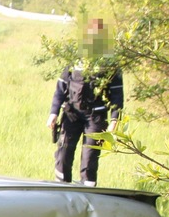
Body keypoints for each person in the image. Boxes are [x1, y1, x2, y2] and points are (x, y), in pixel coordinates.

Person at [47, 18, 123, 186]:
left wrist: (114, 121)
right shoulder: (75, 59)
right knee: (63, 154)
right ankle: (61, 189)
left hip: (96, 116)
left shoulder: (110, 64)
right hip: (71, 113)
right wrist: (53, 113)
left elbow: (117, 96)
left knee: (89, 159)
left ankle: (87, 194)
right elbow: (61, 88)